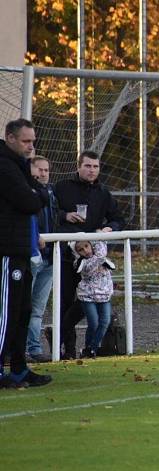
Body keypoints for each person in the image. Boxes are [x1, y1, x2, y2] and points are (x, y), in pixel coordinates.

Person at [53, 150, 125, 359]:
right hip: (67, 256)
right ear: (79, 166)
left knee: (86, 304)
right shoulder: (63, 187)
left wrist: (108, 229)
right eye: (88, 166)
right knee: (64, 301)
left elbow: (118, 219)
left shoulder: (103, 192)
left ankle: (72, 341)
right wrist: (65, 215)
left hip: (93, 263)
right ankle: (66, 349)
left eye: (95, 166)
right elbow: (49, 213)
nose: (92, 170)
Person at [0, 118, 53, 388]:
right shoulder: (5, 165)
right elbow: (29, 200)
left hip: (23, 248)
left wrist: (38, 193)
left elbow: (36, 196)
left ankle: (19, 368)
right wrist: (39, 194)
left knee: (22, 311)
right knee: (6, 313)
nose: (31, 146)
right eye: (26, 141)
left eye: (33, 141)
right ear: (10, 138)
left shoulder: (19, 166)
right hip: (7, 251)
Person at [26, 155, 58, 362]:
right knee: (21, 307)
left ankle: (34, 349)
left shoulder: (51, 194)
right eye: (40, 170)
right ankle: (13, 349)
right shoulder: (25, 193)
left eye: (46, 170)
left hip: (49, 259)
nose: (43, 174)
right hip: (30, 257)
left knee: (38, 309)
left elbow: (55, 217)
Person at [70, 240, 115, 358]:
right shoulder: (80, 263)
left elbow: (103, 253)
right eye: (81, 249)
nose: (85, 250)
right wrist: (100, 257)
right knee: (93, 323)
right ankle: (89, 348)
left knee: (105, 321)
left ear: (91, 245)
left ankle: (90, 349)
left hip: (104, 295)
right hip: (87, 296)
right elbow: (89, 269)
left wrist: (101, 233)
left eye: (86, 246)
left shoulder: (101, 257)